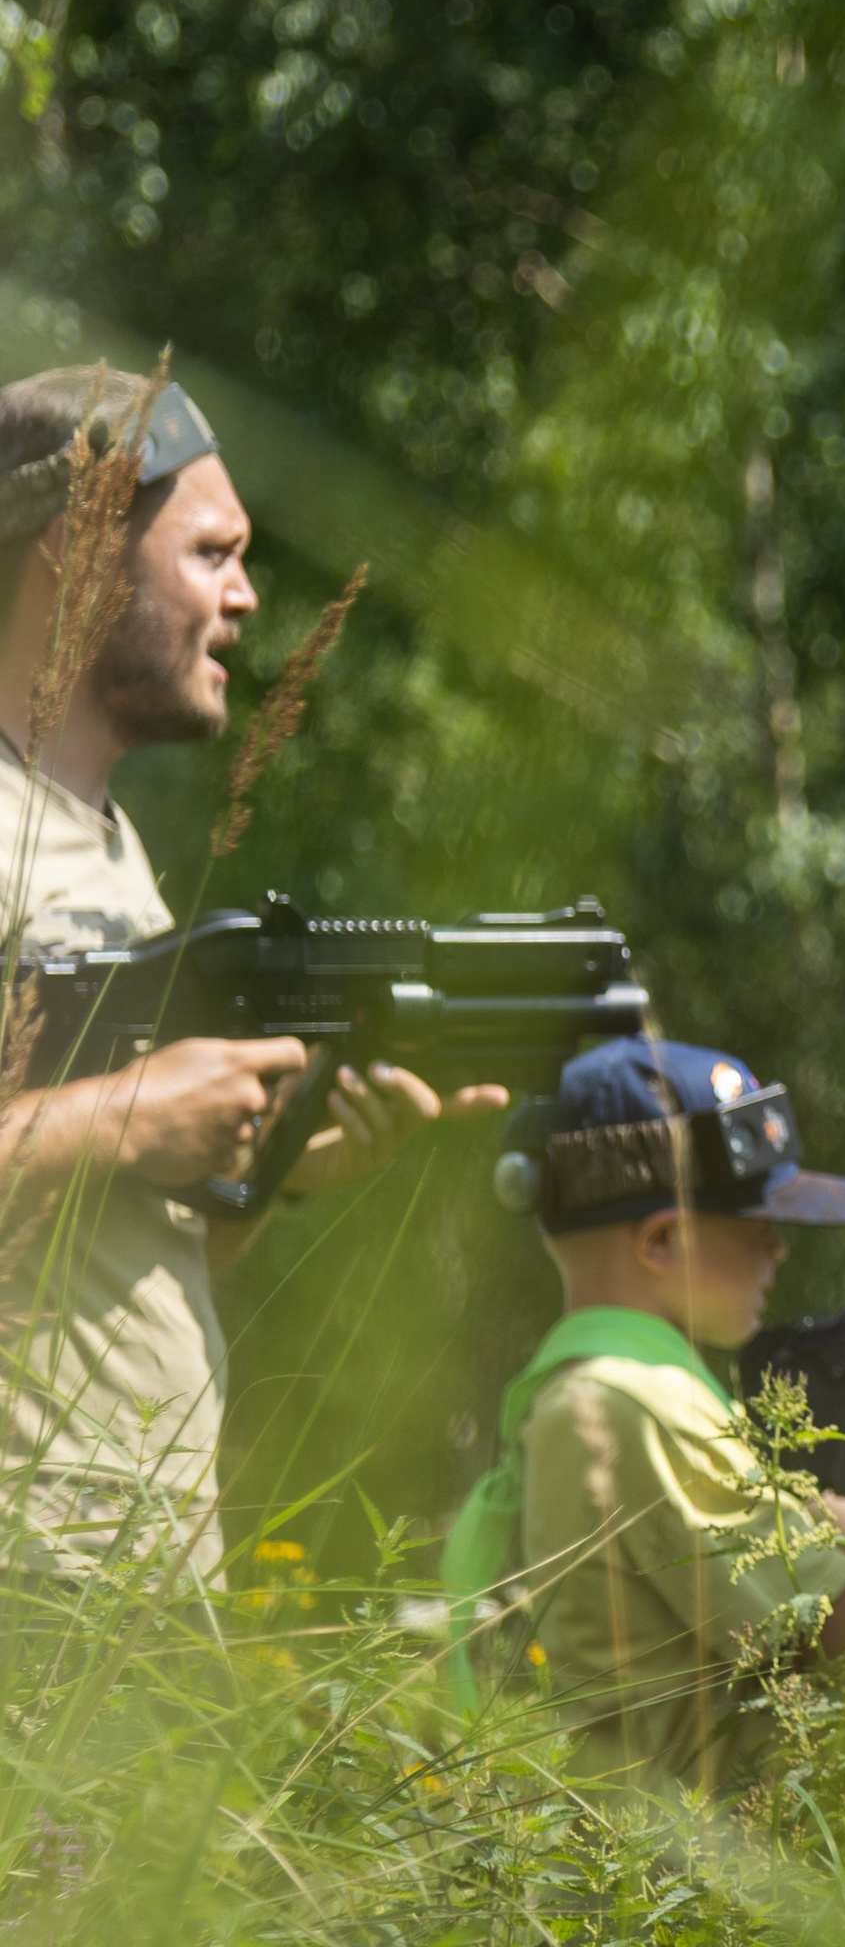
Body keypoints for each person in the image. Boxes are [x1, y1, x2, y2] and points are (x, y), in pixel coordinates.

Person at [0, 365, 504, 1582]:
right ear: (78, 553)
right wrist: (128, 1113)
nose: (246, 596)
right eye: (211, 553)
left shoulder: (108, 847)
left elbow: (121, 1267)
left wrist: (267, 1172)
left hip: (135, 1589)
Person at [444, 1038, 845, 1799]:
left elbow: (815, 1539)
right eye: (758, 1227)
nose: (780, 1249)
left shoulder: (614, 1389)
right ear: (660, 1240)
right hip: (689, 1892)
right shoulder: (628, 1402)